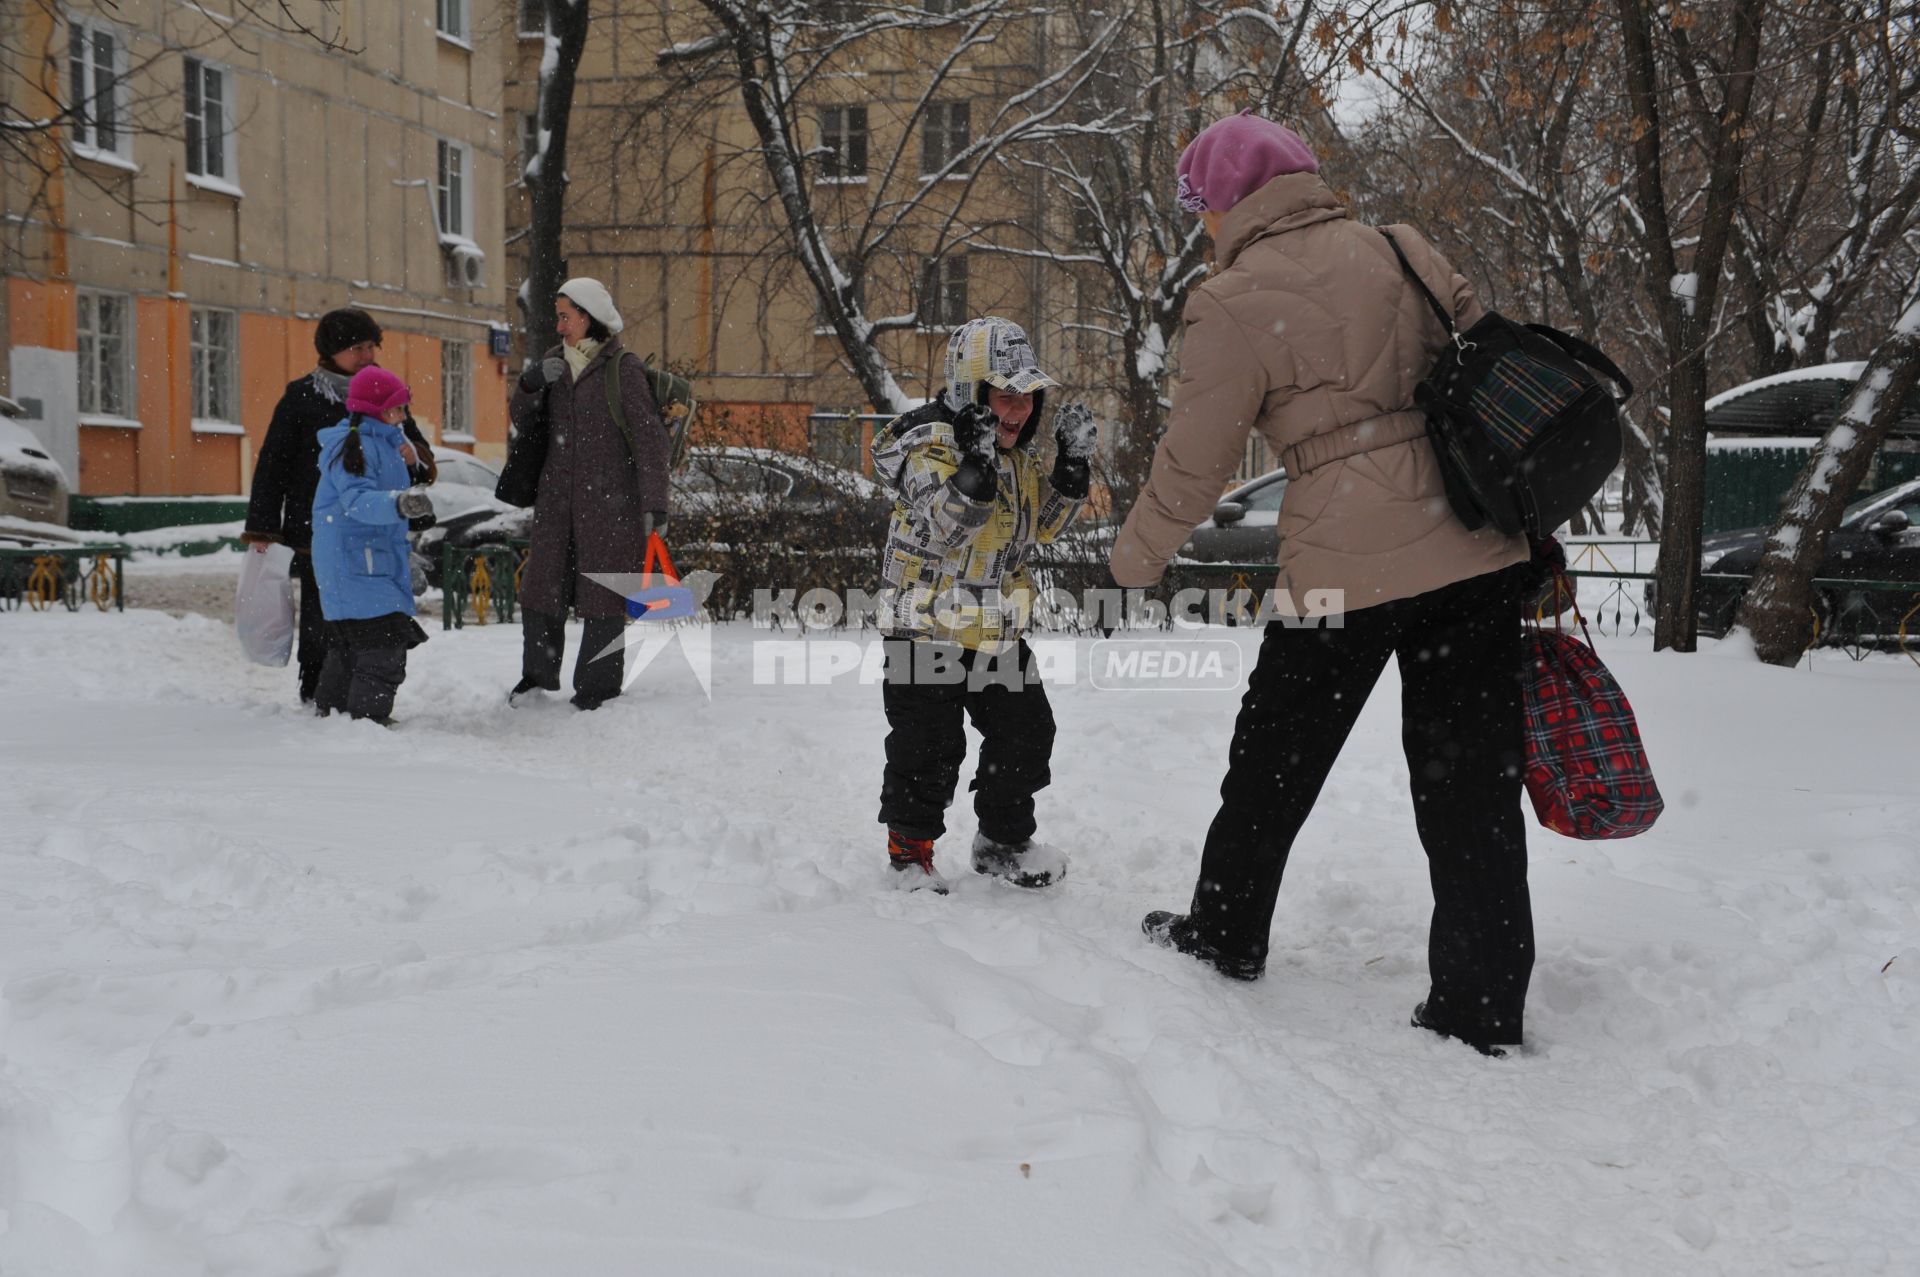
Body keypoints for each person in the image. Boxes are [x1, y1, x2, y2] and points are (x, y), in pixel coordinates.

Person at [1110, 112, 1534, 1056]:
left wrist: (1133, 560)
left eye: (1203, 210)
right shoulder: (1401, 248)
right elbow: (1498, 377)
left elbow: (1192, 464)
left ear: (1225, 203)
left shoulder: (1231, 301)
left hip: (1341, 567)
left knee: (1274, 761)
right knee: (1471, 787)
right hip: (1469, 547)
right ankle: (1481, 1003)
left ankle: (1225, 933)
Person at [873, 317, 1099, 893]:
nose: (1019, 410)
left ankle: (1003, 841)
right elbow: (948, 528)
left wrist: (1071, 473)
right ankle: (911, 853)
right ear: (970, 394)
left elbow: (1038, 529)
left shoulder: (1012, 455)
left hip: (992, 626)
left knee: (1026, 731)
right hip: (923, 626)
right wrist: (972, 470)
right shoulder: (924, 449)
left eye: (1029, 397)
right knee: (929, 745)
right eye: (1005, 395)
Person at [243, 309, 436, 704]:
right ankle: (316, 691)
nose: (367, 355)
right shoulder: (302, 397)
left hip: (374, 528)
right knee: (321, 617)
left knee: (367, 615)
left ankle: (350, 691)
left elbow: (415, 448)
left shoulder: (385, 392)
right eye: (356, 348)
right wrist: (263, 528)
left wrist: (415, 459)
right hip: (319, 529)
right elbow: (273, 464)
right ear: (332, 352)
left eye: (371, 346)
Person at [508, 278, 671, 711]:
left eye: (565, 316)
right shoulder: (551, 362)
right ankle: (536, 679)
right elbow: (521, 420)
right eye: (557, 316)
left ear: (588, 317)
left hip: (612, 509)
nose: (559, 326)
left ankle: (597, 689)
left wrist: (656, 504)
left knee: (604, 596)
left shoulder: (622, 368)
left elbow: (651, 441)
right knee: (542, 591)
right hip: (557, 504)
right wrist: (530, 383)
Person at [309, 368, 435, 724]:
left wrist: (403, 556)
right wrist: (399, 504)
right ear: (378, 412)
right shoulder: (357, 447)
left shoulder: (382, 442)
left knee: (355, 641)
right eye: (398, 409)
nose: (404, 416)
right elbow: (359, 501)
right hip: (355, 562)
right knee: (382, 646)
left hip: (361, 559)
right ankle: (366, 718)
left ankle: (332, 712)